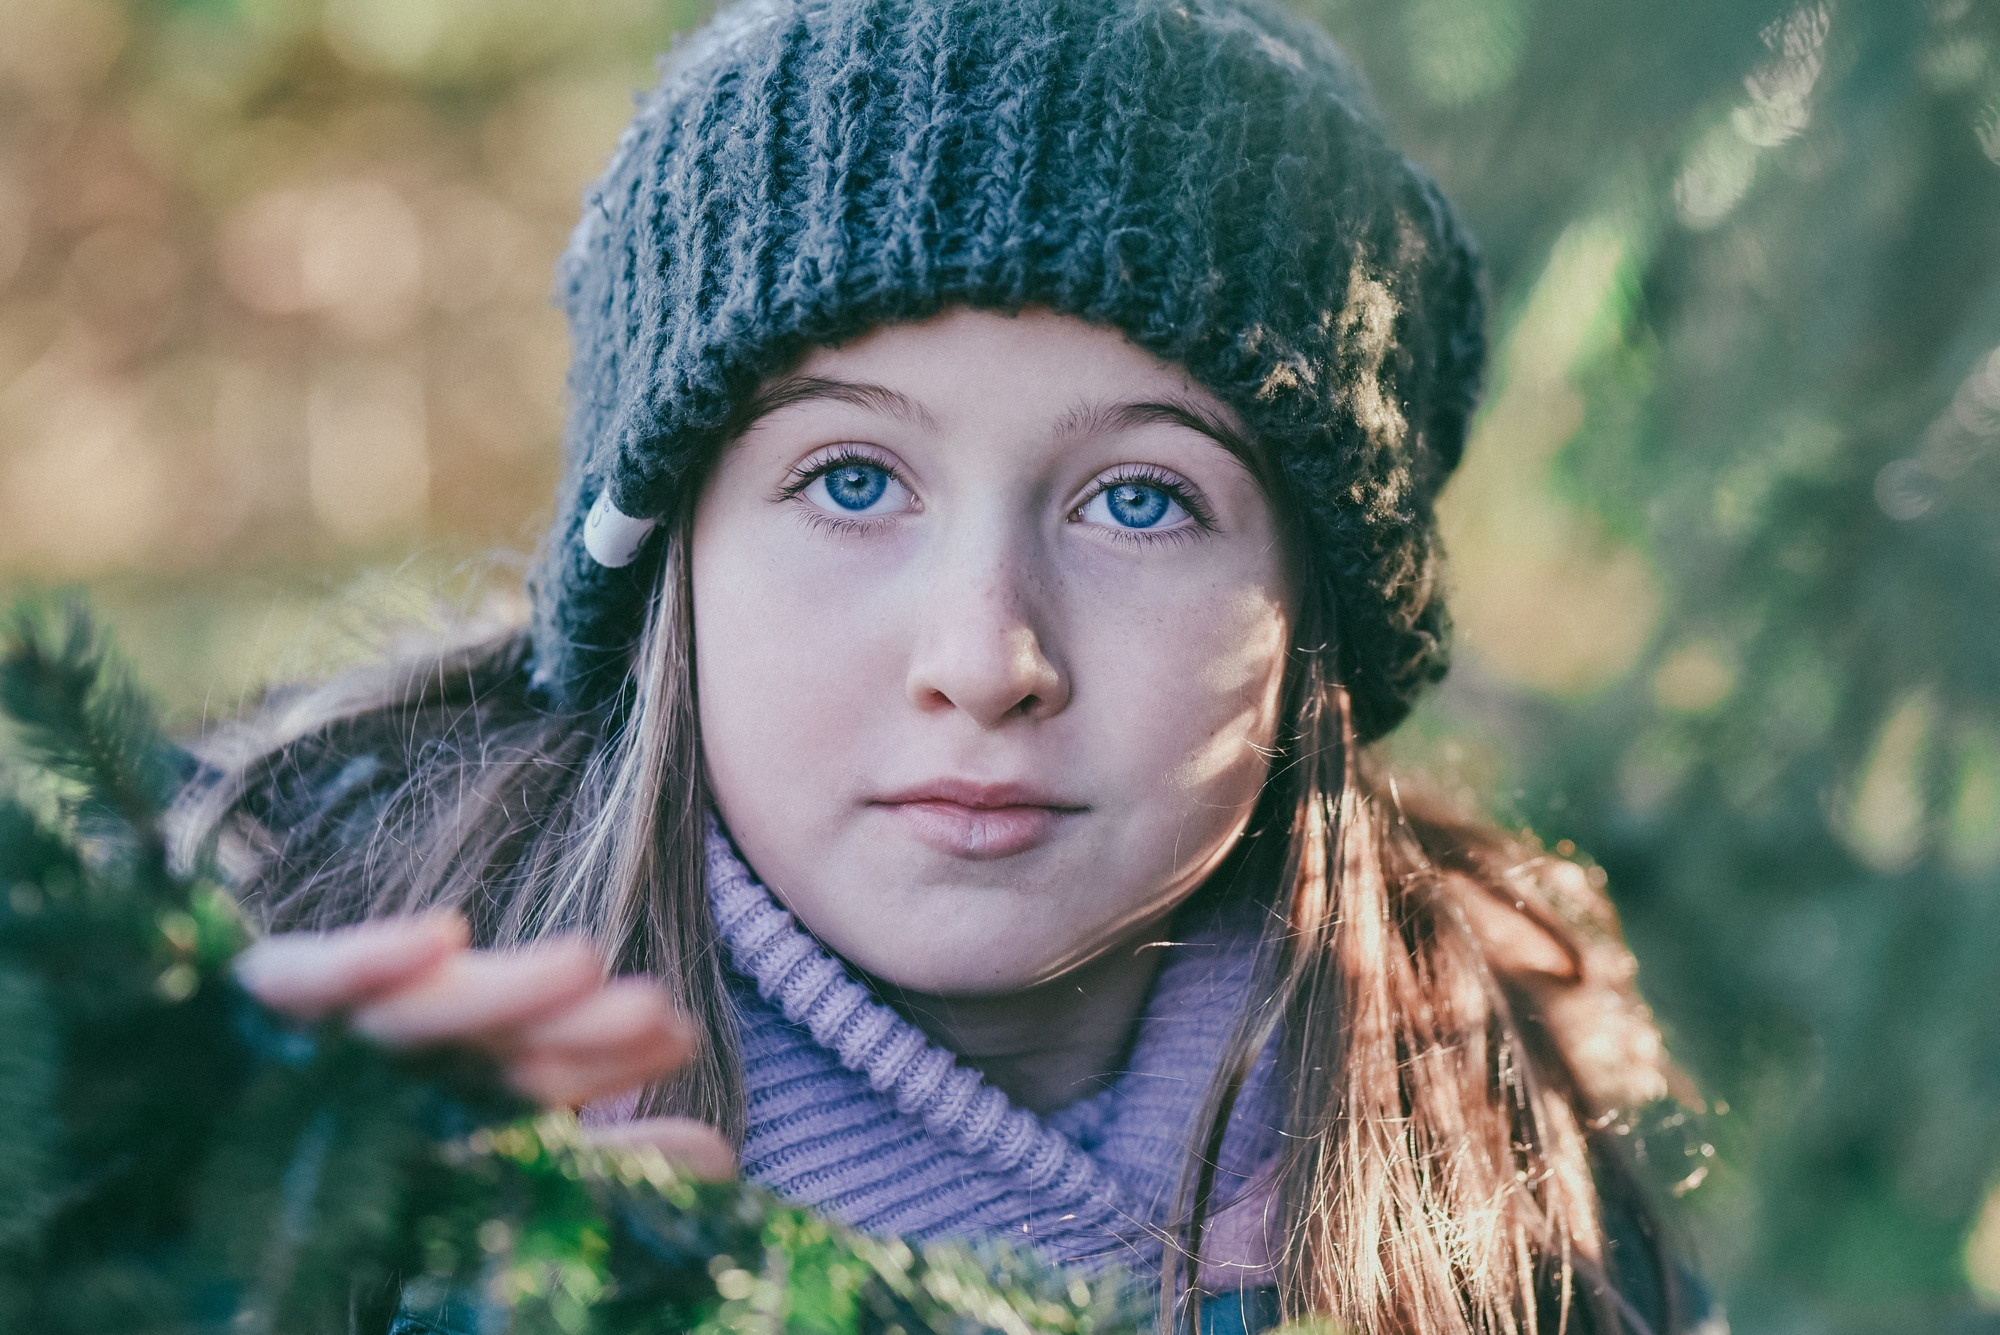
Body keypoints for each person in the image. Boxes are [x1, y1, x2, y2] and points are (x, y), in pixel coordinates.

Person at [180, 0, 1717, 1330]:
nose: (987, 661)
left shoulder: (1491, 1177)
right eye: (852, 481)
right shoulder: (342, 1100)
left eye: (1140, 500)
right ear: (667, 565)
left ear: (1315, 617)